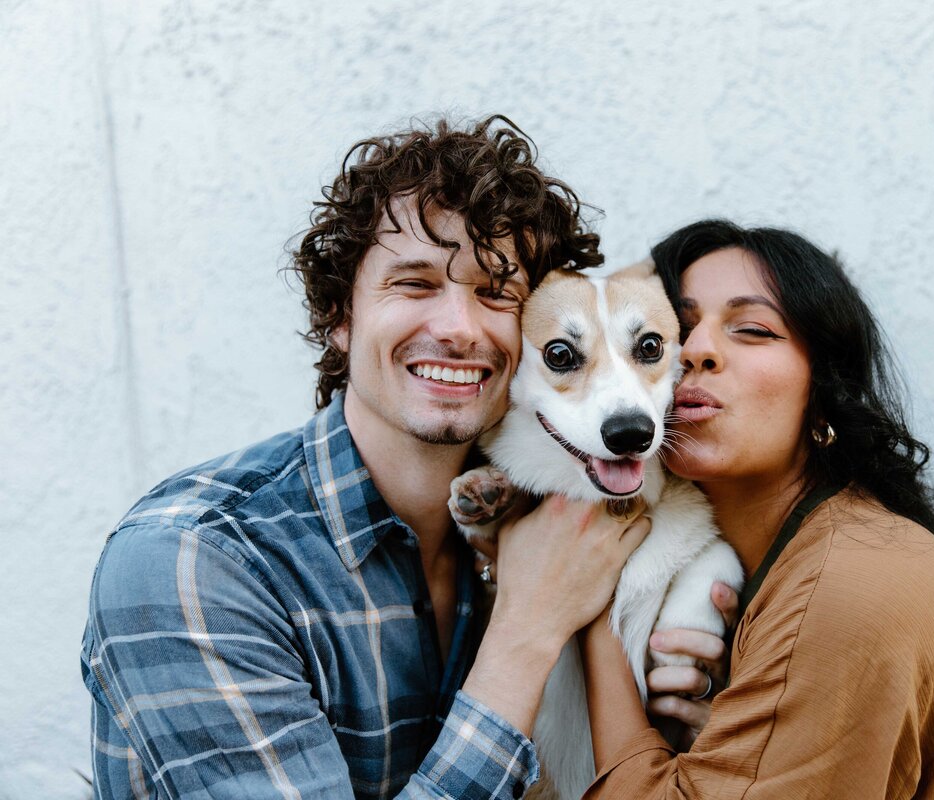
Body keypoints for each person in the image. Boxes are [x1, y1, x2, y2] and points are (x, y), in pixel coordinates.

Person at [81, 116, 669, 799]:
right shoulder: (193, 560)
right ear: (340, 315)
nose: (457, 328)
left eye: (495, 292)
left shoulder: (540, 521)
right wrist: (527, 630)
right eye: (415, 284)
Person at [576, 220, 934, 798]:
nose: (695, 351)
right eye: (673, 332)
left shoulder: (850, 584)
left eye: (751, 329)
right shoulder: (806, 551)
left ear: (823, 392)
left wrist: (590, 615)